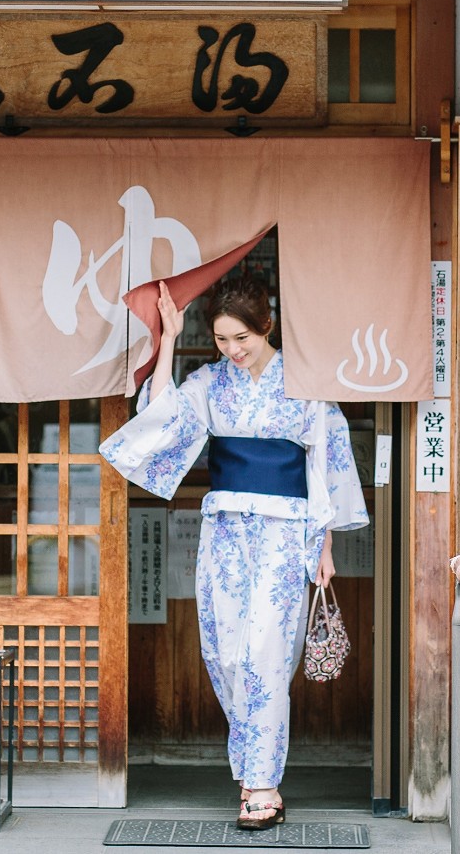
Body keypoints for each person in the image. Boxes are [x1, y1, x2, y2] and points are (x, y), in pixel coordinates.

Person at [100, 272, 368, 830]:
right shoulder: (210, 382)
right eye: (223, 340)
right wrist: (169, 338)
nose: (233, 351)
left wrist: (325, 541)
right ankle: (252, 768)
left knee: (267, 653)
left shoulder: (304, 381)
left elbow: (326, 459)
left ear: (266, 326)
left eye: (241, 339)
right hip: (224, 530)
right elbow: (165, 418)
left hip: (285, 530)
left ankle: (262, 784)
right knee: (224, 651)